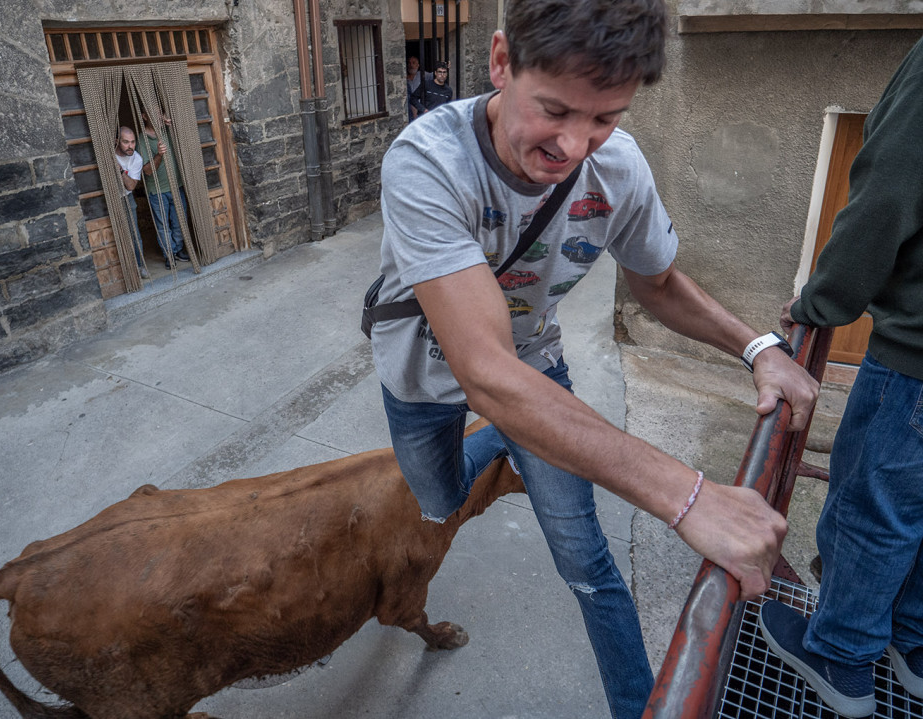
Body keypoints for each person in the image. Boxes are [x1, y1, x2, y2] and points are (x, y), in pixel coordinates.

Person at [369, 1, 819, 717]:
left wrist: (758, 347)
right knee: (441, 501)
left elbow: (658, 284)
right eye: (554, 110)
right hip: (423, 380)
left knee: (587, 564)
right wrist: (689, 496)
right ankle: (508, 441)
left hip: (533, 367)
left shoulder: (619, 166)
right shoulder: (428, 161)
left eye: (604, 118)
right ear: (500, 63)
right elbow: (484, 372)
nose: (574, 146)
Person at [758, 36, 923, 719]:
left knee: (874, 507)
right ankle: (914, 642)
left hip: (915, 362)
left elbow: (887, 194)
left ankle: (842, 652)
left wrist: (822, 302)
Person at [136, 111, 190, 269]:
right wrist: (159, 155)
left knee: (180, 222)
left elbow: (187, 139)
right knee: (163, 226)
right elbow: (147, 171)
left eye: (159, 112)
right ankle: (169, 254)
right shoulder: (142, 140)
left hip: (177, 186)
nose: (158, 116)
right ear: (144, 116)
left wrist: (173, 125)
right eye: (153, 112)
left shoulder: (168, 131)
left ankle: (178, 249)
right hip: (157, 191)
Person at [113, 126, 150, 279]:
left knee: (134, 234)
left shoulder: (137, 158)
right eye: (126, 142)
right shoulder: (108, 154)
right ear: (117, 141)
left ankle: (139, 266)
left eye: (133, 142)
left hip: (126, 197)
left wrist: (120, 170)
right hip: (109, 198)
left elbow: (131, 186)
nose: (130, 146)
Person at [406, 56, 433, 122]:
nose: (411, 65)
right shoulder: (404, 78)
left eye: (413, 63)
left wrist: (445, 67)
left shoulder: (422, 74)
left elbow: (435, 75)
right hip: (408, 109)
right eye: (409, 63)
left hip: (420, 108)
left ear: (418, 65)